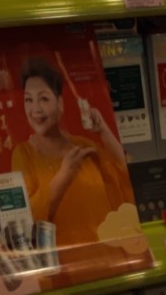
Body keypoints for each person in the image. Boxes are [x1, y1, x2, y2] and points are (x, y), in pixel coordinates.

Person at [8, 56, 138, 250]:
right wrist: (64, 175)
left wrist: (104, 131)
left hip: (107, 257)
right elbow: (26, 219)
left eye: (44, 98)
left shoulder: (84, 146)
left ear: (60, 104)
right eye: (28, 100)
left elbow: (127, 177)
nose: (35, 109)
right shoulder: (23, 155)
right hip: (64, 264)